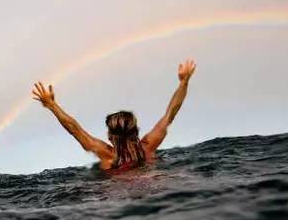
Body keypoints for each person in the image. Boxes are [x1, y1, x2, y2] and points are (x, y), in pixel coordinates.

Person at [32, 58, 196, 171]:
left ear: (110, 135)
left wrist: (52, 105)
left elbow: (74, 129)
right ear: (136, 130)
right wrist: (184, 82)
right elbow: (171, 112)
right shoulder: (149, 146)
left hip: (117, 196)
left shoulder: (107, 155)